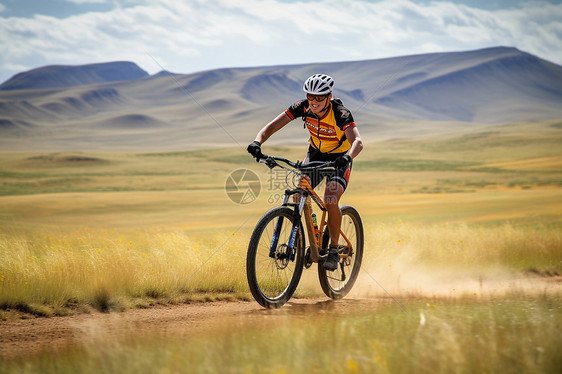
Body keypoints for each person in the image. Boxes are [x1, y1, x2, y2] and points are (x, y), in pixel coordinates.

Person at [247, 73, 363, 271]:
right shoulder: (302, 107)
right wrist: (258, 141)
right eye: (311, 96)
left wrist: (348, 157)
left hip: (340, 159)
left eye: (319, 97)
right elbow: (273, 125)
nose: (314, 101)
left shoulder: (340, 113)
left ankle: (334, 249)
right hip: (316, 155)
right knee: (298, 195)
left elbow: (358, 142)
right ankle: (300, 243)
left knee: (331, 197)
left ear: (329, 96)